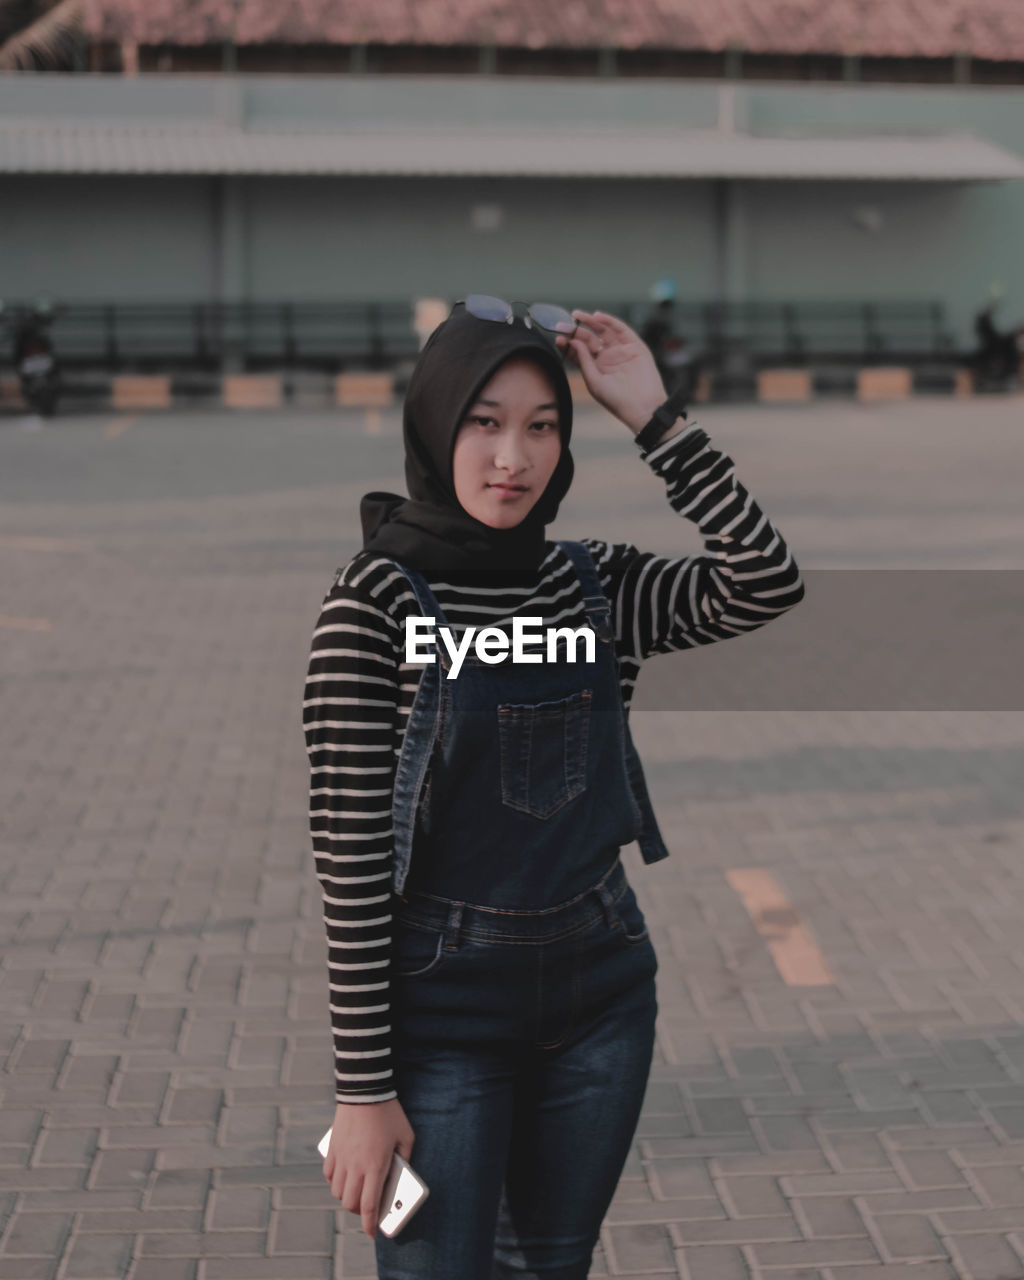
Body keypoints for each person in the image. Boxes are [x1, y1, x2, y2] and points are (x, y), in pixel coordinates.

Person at [304, 296, 805, 1278]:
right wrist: (363, 1093)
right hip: (440, 1016)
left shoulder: (595, 585)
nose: (513, 457)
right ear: (436, 425)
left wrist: (656, 419)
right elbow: (350, 858)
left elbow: (762, 579)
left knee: (547, 1267)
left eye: (542, 426)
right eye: (484, 422)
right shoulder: (372, 602)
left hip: (598, 993)